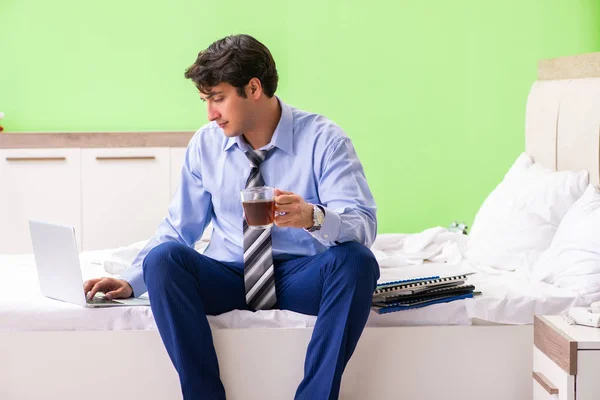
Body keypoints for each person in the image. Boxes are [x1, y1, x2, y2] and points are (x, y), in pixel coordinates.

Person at [83, 33, 379, 400]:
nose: (210, 113)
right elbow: (179, 229)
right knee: (163, 260)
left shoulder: (324, 139)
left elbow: (363, 223)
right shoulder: (205, 144)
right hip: (227, 276)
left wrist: (312, 217)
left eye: (218, 98)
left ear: (253, 88)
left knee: (356, 261)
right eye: (205, 100)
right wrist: (131, 281)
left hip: (298, 277)